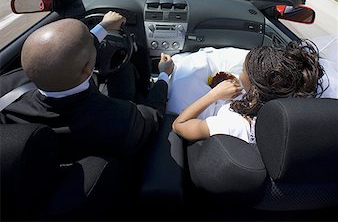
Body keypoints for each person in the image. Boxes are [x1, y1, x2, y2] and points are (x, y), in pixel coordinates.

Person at [0, 11, 174, 162]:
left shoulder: (7, 93)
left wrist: (103, 26)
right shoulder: (119, 119)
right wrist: (164, 75)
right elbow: (153, 115)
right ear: (87, 69)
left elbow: (64, 51)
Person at [170, 41, 327, 144]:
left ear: (255, 86)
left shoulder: (237, 126)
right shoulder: (276, 105)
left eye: (243, 70)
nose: (240, 72)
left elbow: (180, 125)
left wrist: (214, 95)